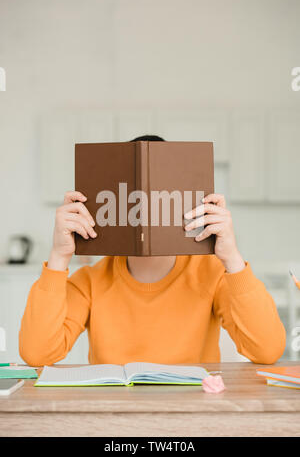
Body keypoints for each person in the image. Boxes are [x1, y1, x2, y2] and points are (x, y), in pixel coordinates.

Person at [19, 135, 286, 366]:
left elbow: (267, 349)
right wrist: (58, 257)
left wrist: (232, 258)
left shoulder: (212, 275)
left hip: (190, 415)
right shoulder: (90, 281)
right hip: (115, 416)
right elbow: (37, 354)